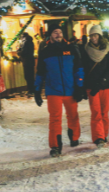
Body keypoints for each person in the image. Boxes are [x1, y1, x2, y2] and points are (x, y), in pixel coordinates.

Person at [33, 24, 85, 157]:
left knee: (73, 116)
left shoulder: (71, 49)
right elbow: (40, 73)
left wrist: (80, 86)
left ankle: (74, 137)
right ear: (50, 35)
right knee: (55, 119)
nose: (58, 35)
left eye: (60, 32)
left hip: (70, 89)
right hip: (53, 91)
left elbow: (78, 68)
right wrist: (37, 90)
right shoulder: (45, 52)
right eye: (55, 32)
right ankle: (55, 146)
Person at [82, 25, 109, 148]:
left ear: (100, 36)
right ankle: (98, 137)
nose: (93, 38)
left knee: (104, 112)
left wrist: (102, 81)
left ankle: (104, 134)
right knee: (96, 113)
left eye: (95, 35)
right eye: (91, 35)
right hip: (91, 86)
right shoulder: (85, 49)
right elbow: (84, 68)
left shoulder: (108, 48)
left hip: (105, 85)